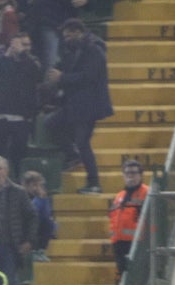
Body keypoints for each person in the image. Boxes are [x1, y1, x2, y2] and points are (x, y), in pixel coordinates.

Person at [47, 19, 112, 194]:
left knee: (83, 142)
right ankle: (73, 154)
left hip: (89, 106)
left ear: (78, 32)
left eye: (68, 35)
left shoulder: (94, 50)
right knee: (51, 124)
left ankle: (94, 183)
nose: (66, 39)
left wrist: (62, 78)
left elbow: (88, 77)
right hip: (74, 104)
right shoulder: (74, 50)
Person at [107, 160, 147, 280]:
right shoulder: (120, 196)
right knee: (122, 278)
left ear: (140, 175)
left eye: (134, 173)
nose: (130, 176)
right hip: (119, 244)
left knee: (136, 279)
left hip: (137, 244)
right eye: (127, 173)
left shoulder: (147, 193)